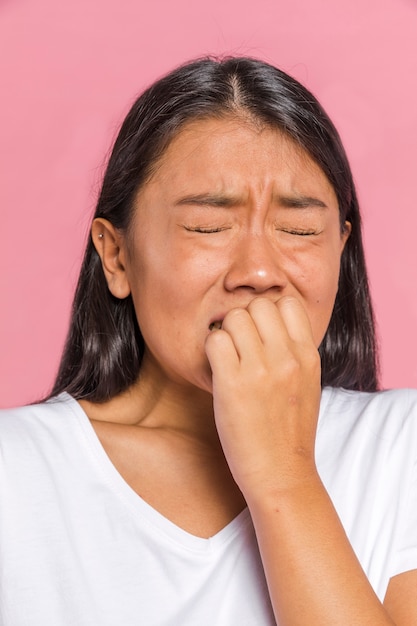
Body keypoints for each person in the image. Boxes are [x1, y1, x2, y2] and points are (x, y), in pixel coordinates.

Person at [0, 56, 416, 626]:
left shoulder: (400, 447)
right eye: (208, 227)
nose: (260, 271)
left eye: (299, 230)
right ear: (116, 255)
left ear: (340, 251)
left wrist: (283, 473)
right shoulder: (14, 470)